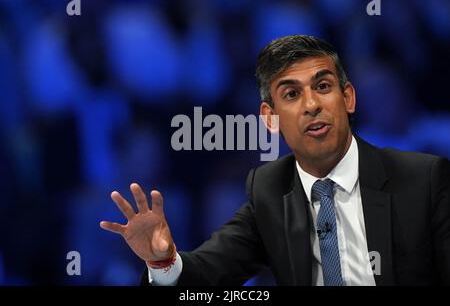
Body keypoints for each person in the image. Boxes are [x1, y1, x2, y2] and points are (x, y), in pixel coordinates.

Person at [100, 35, 450, 286]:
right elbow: (205, 275)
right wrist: (163, 262)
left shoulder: (425, 179)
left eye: (323, 87)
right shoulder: (270, 191)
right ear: (271, 118)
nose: (311, 105)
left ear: (349, 98)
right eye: (292, 95)